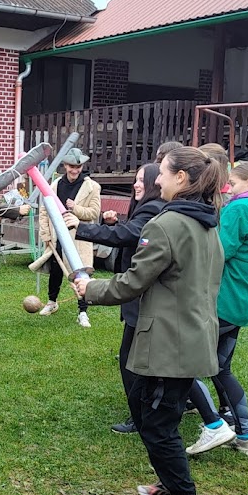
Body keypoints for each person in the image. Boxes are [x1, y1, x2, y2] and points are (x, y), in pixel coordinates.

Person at [74, 147, 224, 495]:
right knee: (148, 412)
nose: (158, 180)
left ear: (181, 179)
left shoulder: (166, 224)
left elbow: (133, 282)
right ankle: (171, 486)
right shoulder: (206, 221)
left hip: (170, 344)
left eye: (164, 173)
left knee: (158, 425)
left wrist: (90, 288)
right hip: (188, 337)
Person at [185, 161, 248, 457]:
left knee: (183, 364)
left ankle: (214, 425)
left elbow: (217, 251)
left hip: (221, 300)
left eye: (235, 183)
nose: (229, 189)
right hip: (240, 299)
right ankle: (246, 438)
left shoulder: (241, 207)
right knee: (221, 369)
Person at [73, 163, 165, 434]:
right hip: (144, 297)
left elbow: (128, 235)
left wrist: (82, 228)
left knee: (132, 360)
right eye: (136, 179)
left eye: (141, 180)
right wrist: (116, 224)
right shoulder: (152, 207)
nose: (136, 184)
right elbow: (131, 233)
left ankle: (141, 417)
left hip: (141, 296)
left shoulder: (153, 208)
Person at [36, 147, 100, 328]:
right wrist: (46, 234)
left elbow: (94, 213)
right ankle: (52, 302)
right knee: (56, 271)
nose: (75, 170)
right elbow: (44, 210)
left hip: (79, 238)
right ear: (65, 165)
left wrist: (75, 209)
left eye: (78, 167)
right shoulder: (55, 186)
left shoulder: (92, 187)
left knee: (81, 274)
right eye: (71, 166)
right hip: (58, 236)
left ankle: (82, 312)